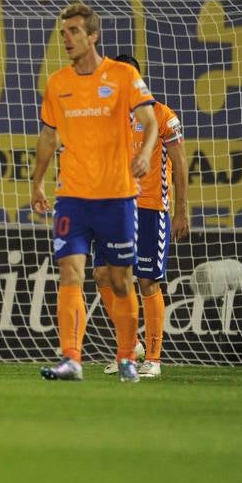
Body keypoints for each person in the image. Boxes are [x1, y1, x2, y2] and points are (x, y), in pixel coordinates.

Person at [29, 3, 160, 383]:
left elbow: (149, 121)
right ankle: (71, 358)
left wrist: (146, 154)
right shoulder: (58, 84)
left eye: (73, 31)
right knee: (70, 272)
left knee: (120, 280)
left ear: (92, 35)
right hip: (71, 196)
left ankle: (126, 357)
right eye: (63, 32)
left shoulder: (122, 75)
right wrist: (37, 180)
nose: (66, 38)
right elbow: (49, 135)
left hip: (117, 196)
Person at [90, 54, 189, 380]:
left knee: (147, 280)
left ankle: (154, 359)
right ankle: (129, 349)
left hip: (150, 208)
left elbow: (181, 164)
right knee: (104, 275)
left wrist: (181, 211)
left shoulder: (162, 115)